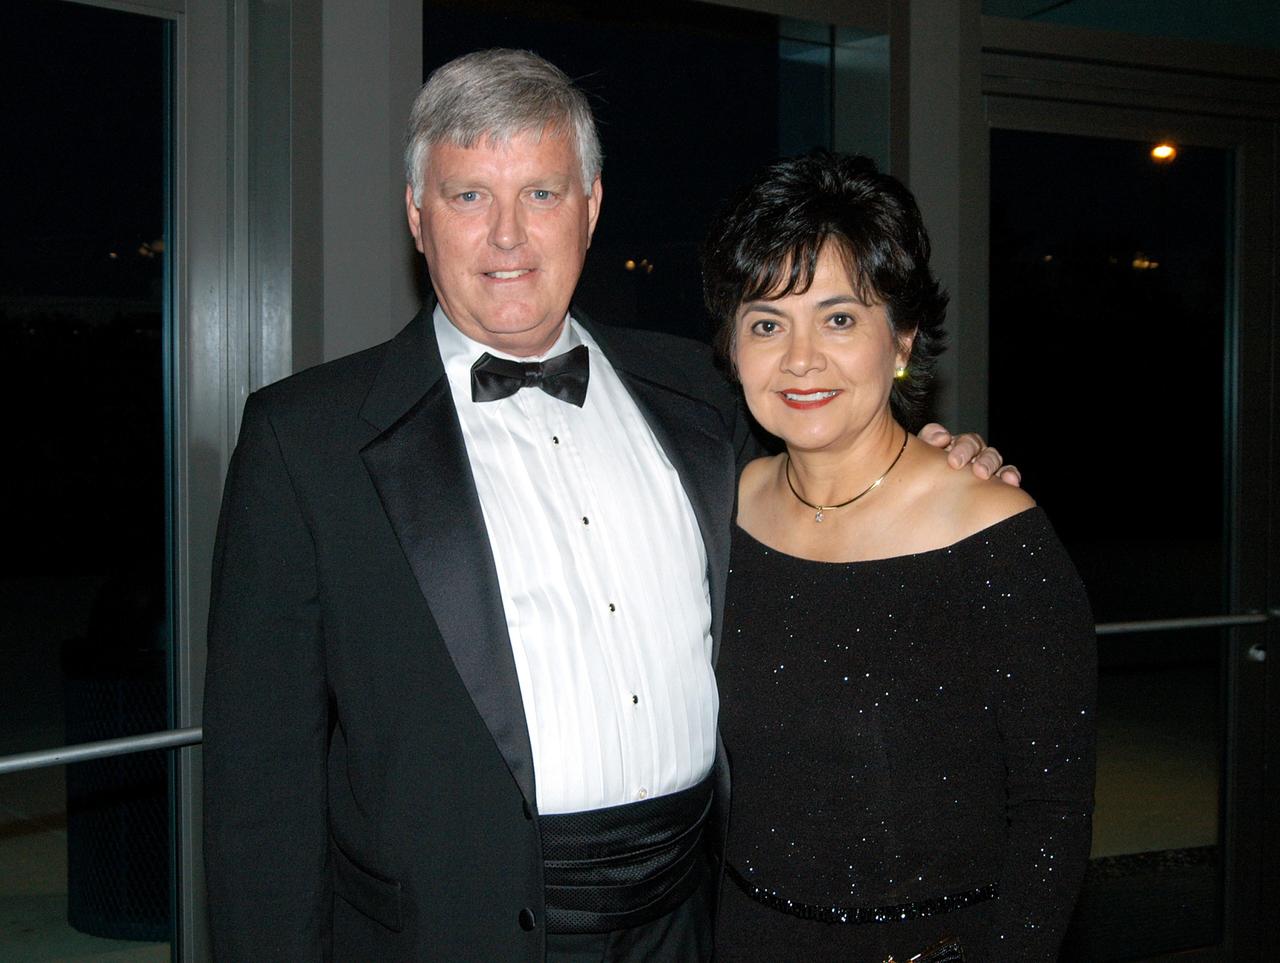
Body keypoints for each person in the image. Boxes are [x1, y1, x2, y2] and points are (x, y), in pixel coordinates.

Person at [202, 51, 1008, 961]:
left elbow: (834, 484)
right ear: (416, 216)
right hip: (452, 934)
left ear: (590, 209)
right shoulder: (304, 442)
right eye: (469, 197)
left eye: (541, 194)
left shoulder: (704, 397)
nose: (508, 237)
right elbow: (257, 792)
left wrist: (934, 461)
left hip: (699, 919)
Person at [704, 152, 1095, 962]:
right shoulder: (719, 508)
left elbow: (1052, 811)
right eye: (767, 323)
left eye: (840, 318)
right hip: (746, 939)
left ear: (904, 340)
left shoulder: (992, 531)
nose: (801, 358)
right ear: (734, 348)